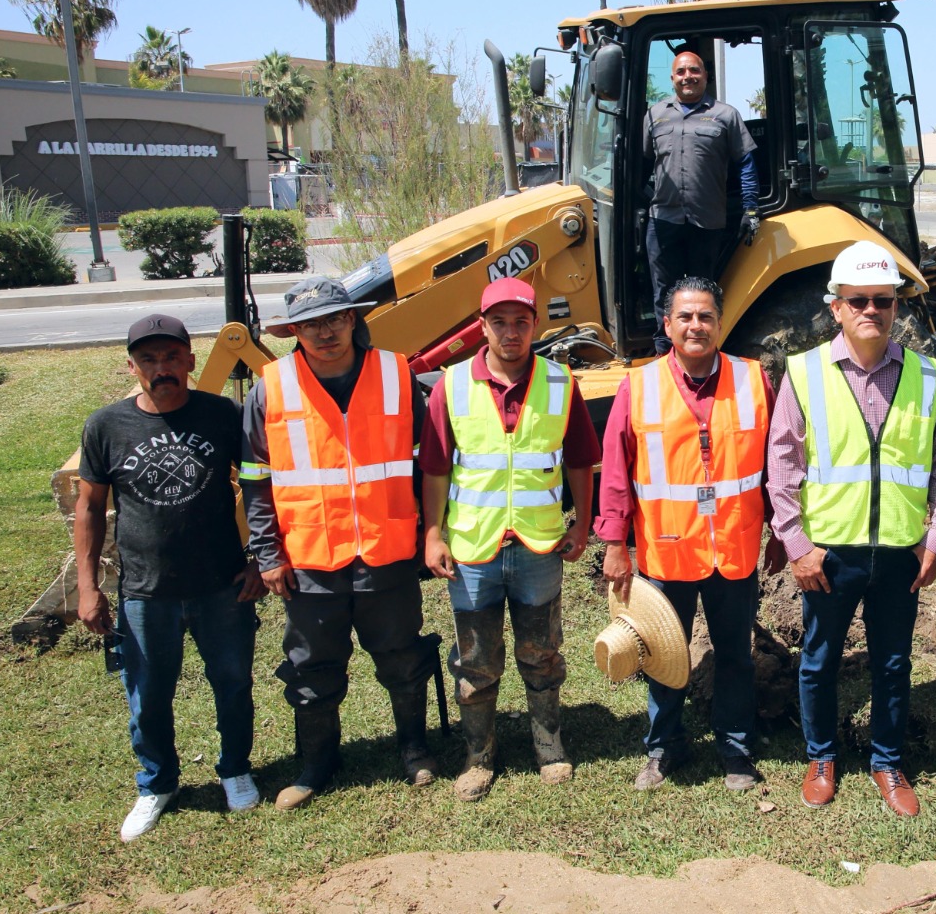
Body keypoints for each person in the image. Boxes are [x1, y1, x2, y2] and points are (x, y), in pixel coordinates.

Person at [767, 241, 936, 818]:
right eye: (859, 300)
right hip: (831, 553)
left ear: (896, 306)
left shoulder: (928, 374)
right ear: (836, 307)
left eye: (883, 300)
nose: (872, 310)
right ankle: (822, 757)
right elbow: (782, 466)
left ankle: (887, 761)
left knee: (893, 662)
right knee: (821, 658)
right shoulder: (803, 374)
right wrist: (796, 545)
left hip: (901, 551)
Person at [240, 277, 438, 810]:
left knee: (402, 656)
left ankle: (414, 748)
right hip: (309, 558)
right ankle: (317, 763)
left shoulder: (398, 376)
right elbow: (256, 480)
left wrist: (431, 532)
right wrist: (266, 553)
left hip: (388, 550)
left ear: (353, 319)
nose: (324, 332)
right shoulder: (271, 387)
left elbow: (428, 465)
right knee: (312, 668)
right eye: (310, 324)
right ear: (294, 332)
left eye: (334, 319)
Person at [76, 314, 265, 841]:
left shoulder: (223, 415)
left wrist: (257, 557)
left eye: (171, 358)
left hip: (222, 584)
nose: (162, 369)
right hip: (144, 590)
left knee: (232, 685)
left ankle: (235, 770)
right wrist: (89, 588)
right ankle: (156, 783)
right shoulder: (106, 426)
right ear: (132, 366)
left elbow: (258, 487)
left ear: (190, 361)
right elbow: (90, 509)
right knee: (148, 695)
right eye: (149, 360)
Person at [597, 276, 782, 792]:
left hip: (735, 549)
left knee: (735, 655)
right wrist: (615, 543)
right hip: (666, 552)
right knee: (661, 656)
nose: (696, 325)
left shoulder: (753, 380)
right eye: (685, 317)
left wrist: (784, 532)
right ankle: (664, 747)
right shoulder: (639, 386)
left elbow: (777, 467)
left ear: (721, 324)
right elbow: (616, 471)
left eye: (705, 317)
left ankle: (736, 749)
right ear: (668, 325)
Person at [419, 277, 598, 801]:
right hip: (474, 549)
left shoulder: (561, 383)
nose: (511, 332)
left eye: (521, 321)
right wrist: (432, 533)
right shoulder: (450, 386)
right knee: (475, 658)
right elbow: (434, 470)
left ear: (535, 324)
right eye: (499, 322)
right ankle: (479, 757)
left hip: (540, 545)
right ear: (482, 327)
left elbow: (581, 461)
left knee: (541, 653)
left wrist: (582, 523)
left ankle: (549, 745)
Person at [643, 50, 759, 354]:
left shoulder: (725, 115)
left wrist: (750, 208)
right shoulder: (655, 114)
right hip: (663, 219)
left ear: (705, 75)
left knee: (702, 292)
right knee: (663, 292)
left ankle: (702, 352)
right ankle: (664, 352)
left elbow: (745, 163)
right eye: (681, 72)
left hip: (707, 221)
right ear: (672, 78)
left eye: (694, 71)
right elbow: (642, 165)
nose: (687, 77)